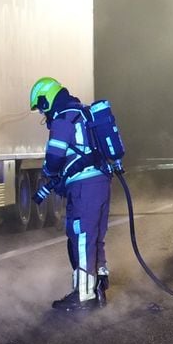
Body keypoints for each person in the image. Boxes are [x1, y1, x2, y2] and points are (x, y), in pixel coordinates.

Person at [29, 76, 114, 310]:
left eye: (40, 106)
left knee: (82, 237)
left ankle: (84, 295)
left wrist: (49, 172)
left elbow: (55, 157)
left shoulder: (63, 118)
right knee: (95, 236)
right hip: (101, 181)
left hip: (84, 186)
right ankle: (98, 288)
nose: (41, 112)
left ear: (47, 99)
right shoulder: (83, 113)